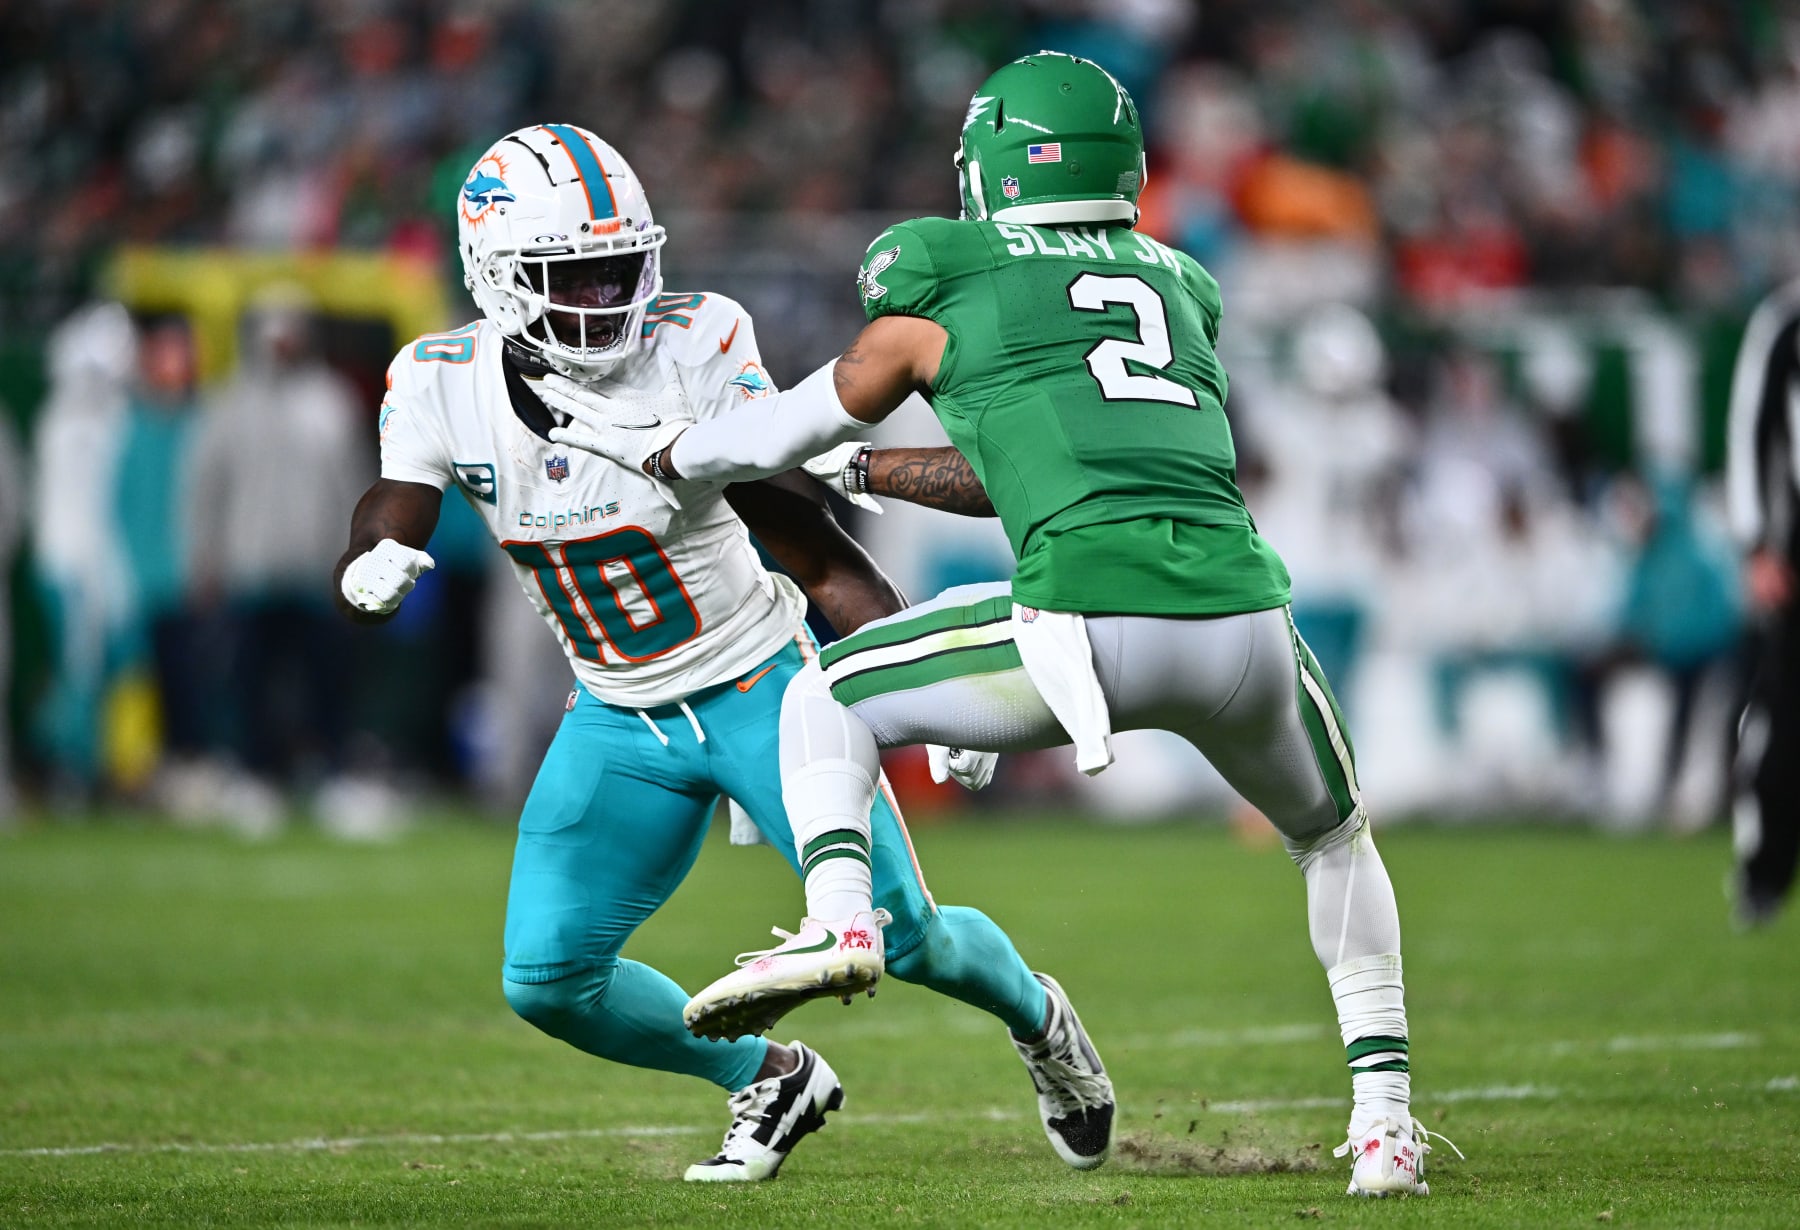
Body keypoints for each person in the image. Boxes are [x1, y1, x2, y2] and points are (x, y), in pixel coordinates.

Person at [543, 54, 1448, 1198]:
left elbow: (778, 435)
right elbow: (1025, 458)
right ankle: (1385, 1126)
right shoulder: (1181, 281)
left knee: (830, 691)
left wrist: (675, 452)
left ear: (991, 164)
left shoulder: (943, 264)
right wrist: (866, 471)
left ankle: (840, 920)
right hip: (1245, 623)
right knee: (1335, 839)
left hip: (1086, 622)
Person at [333, 124, 1115, 1183]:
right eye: (573, 275)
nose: (605, 299)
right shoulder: (439, 379)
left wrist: (912, 683)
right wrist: (372, 556)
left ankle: (1042, 1022)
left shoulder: (696, 342)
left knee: (906, 938)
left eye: (620, 269)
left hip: (764, 689)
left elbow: (809, 545)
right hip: (617, 714)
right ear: (497, 276)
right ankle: (770, 1076)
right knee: (546, 979)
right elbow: (396, 502)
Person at [1725, 278, 1800, 927]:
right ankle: (1764, 871)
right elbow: (1750, 431)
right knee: (1782, 716)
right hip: (1797, 553)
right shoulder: (1785, 322)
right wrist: (1757, 545)